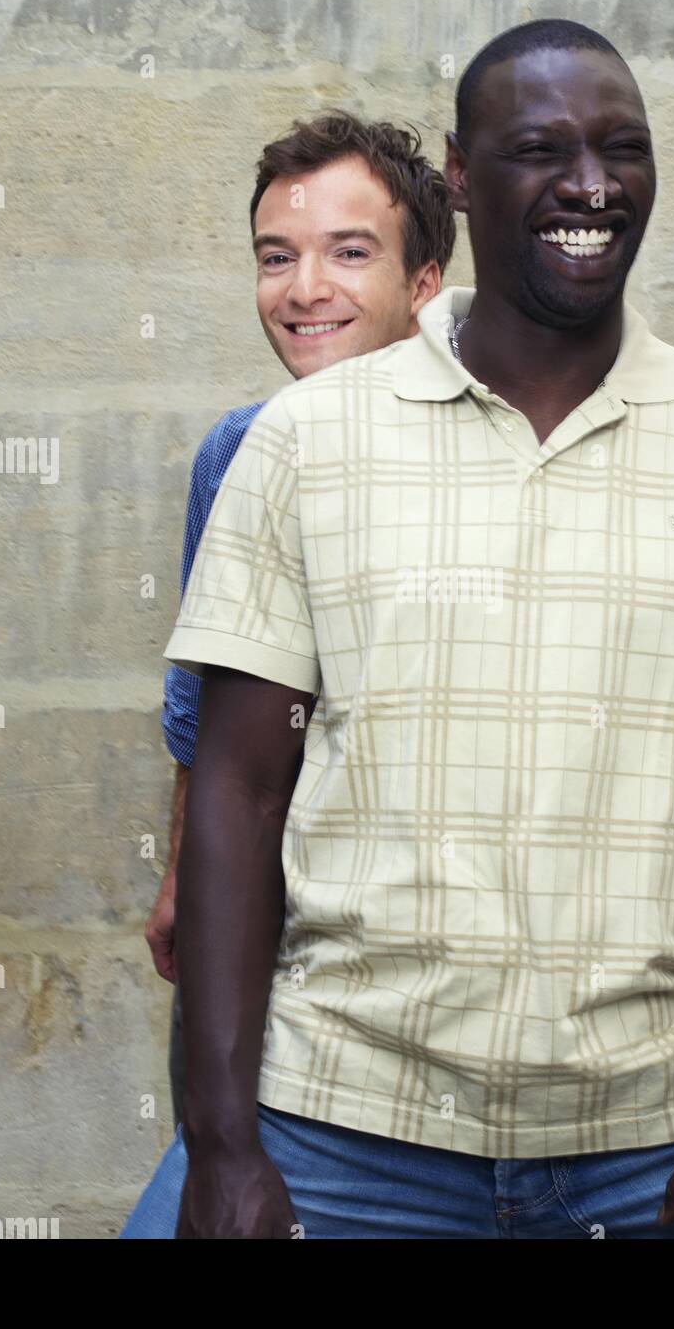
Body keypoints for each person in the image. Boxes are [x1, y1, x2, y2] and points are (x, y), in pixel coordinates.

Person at [123, 19, 674, 1239]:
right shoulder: (305, 445)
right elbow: (236, 789)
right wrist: (222, 1143)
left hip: (669, 1123)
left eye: (620, 149)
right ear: (464, 178)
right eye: (543, 150)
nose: (590, 184)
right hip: (344, 1120)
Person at [141, 110, 454, 1132]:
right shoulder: (235, 453)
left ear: (423, 281)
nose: (303, 289)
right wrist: (183, 878)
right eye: (277, 257)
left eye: (347, 253)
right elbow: (202, 710)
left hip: (423, 957)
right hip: (257, 932)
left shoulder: (487, 450)